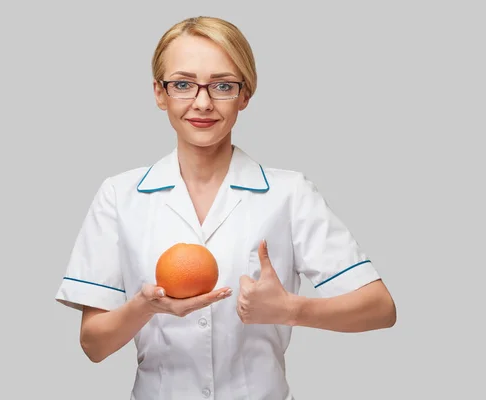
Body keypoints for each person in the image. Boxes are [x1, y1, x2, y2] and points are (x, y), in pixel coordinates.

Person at [55, 15, 396, 400]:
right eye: (182, 84)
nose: (202, 102)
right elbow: (93, 345)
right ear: (159, 92)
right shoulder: (120, 196)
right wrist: (144, 307)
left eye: (222, 85)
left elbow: (380, 308)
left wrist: (290, 309)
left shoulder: (289, 193)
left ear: (245, 94)